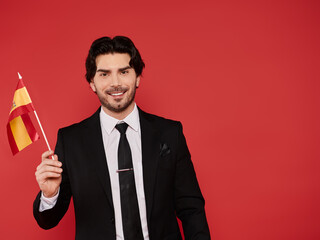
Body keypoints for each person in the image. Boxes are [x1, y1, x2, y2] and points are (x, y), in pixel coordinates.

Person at [33, 36, 211, 240]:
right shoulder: (71, 140)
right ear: (92, 82)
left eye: (124, 72)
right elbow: (48, 221)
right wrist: (49, 195)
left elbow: (192, 209)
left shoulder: (170, 133)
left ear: (137, 77)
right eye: (104, 74)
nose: (115, 83)